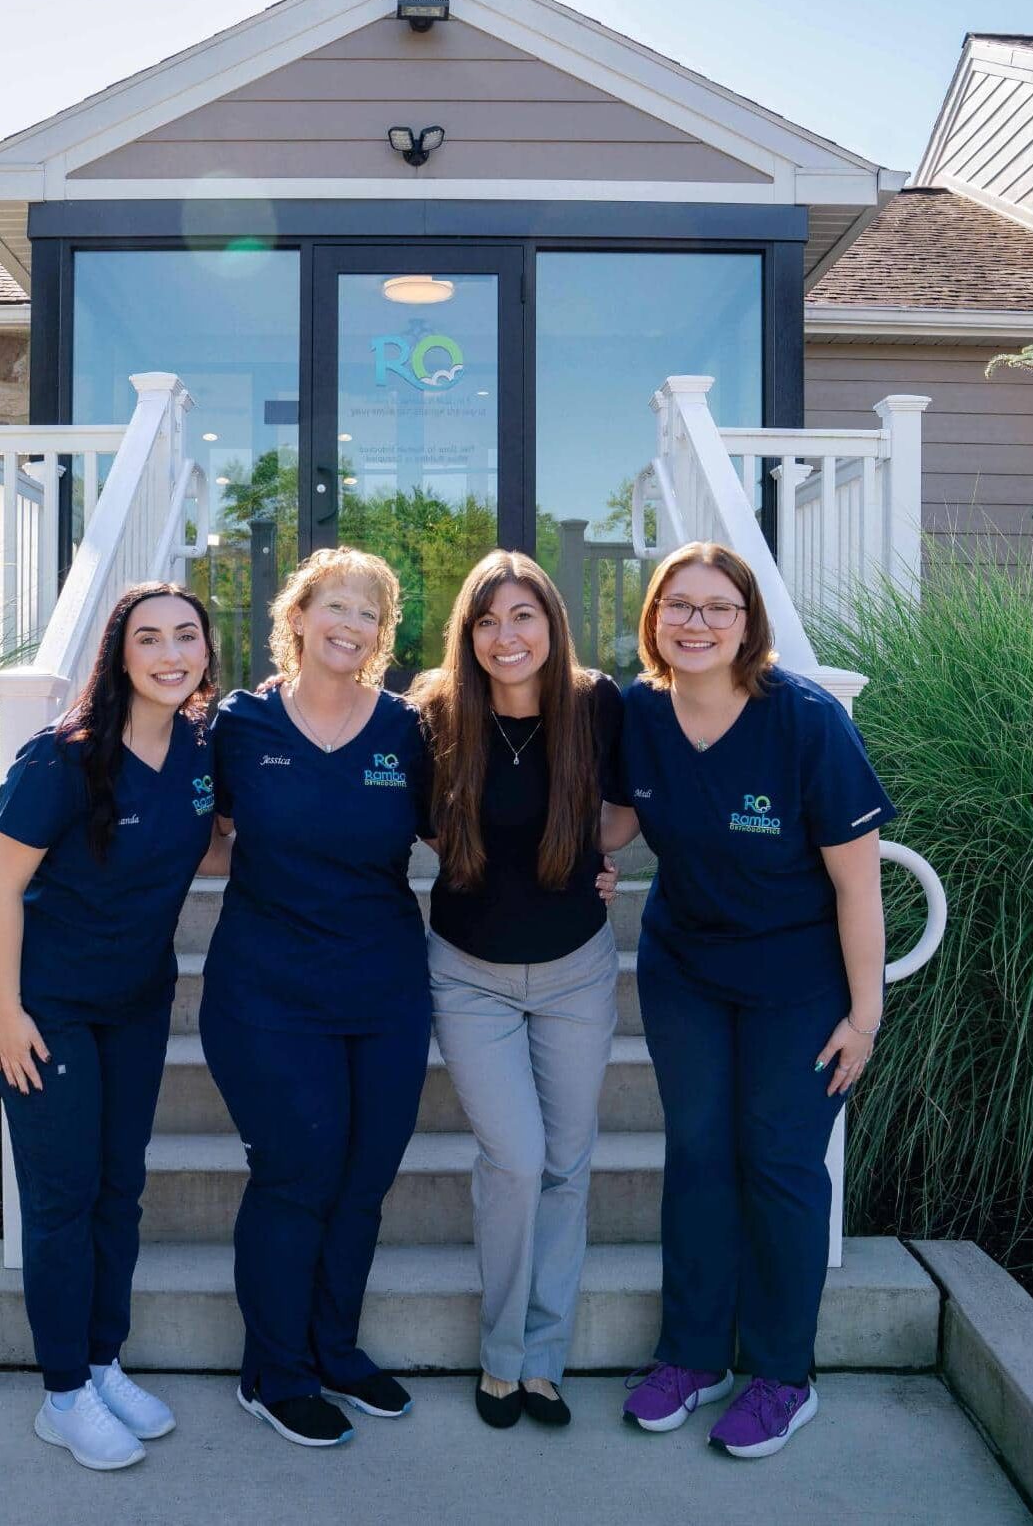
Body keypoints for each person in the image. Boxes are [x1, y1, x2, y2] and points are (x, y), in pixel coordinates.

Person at [604, 541, 894, 1459]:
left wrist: (863, 1014)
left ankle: (780, 1374)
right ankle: (690, 1356)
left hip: (796, 982)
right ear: (653, 619)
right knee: (695, 1154)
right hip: (685, 968)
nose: (694, 623)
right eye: (676, 606)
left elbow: (858, 888)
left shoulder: (804, 722)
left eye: (715, 607)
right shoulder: (639, 714)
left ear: (747, 622)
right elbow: (617, 813)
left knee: (777, 1162)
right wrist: (587, 854)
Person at [0, 581, 229, 1471]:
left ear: (205, 649)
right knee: (62, 1196)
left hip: (136, 1000)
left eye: (186, 636)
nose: (170, 653)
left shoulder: (203, 744)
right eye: (150, 638)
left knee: (120, 1186)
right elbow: (2, 889)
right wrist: (7, 1013)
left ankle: (100, 1359)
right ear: (120, 655)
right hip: (45, 1007)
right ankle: (62, 1393)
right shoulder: (63, 758)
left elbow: (209, 838)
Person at [199, 547, 432, 1449]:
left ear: (381, 634)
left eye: (368, 612)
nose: (349, 623)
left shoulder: (408, 729)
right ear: (296, 616)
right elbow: (200, 831)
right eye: (332, 604)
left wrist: (589, 868)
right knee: (297, 1173)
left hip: (383, 989)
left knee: (364, 1179)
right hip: (267, 991)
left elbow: (467, 832)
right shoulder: (240, 724)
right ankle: (275, 1370)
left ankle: (334, 1347)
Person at [410, 551, 626, 1430]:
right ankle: (500, 1356)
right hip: (469, 973)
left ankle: (545, 1360)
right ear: (469, 632)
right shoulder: (433, 714)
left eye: (523, 616)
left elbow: (624, 807)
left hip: (577, 966)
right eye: (488, 620)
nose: (507, 636)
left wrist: (598, 859)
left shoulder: (595, 703)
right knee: (515, 1158)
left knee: (567, 1165)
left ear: (551, 623)